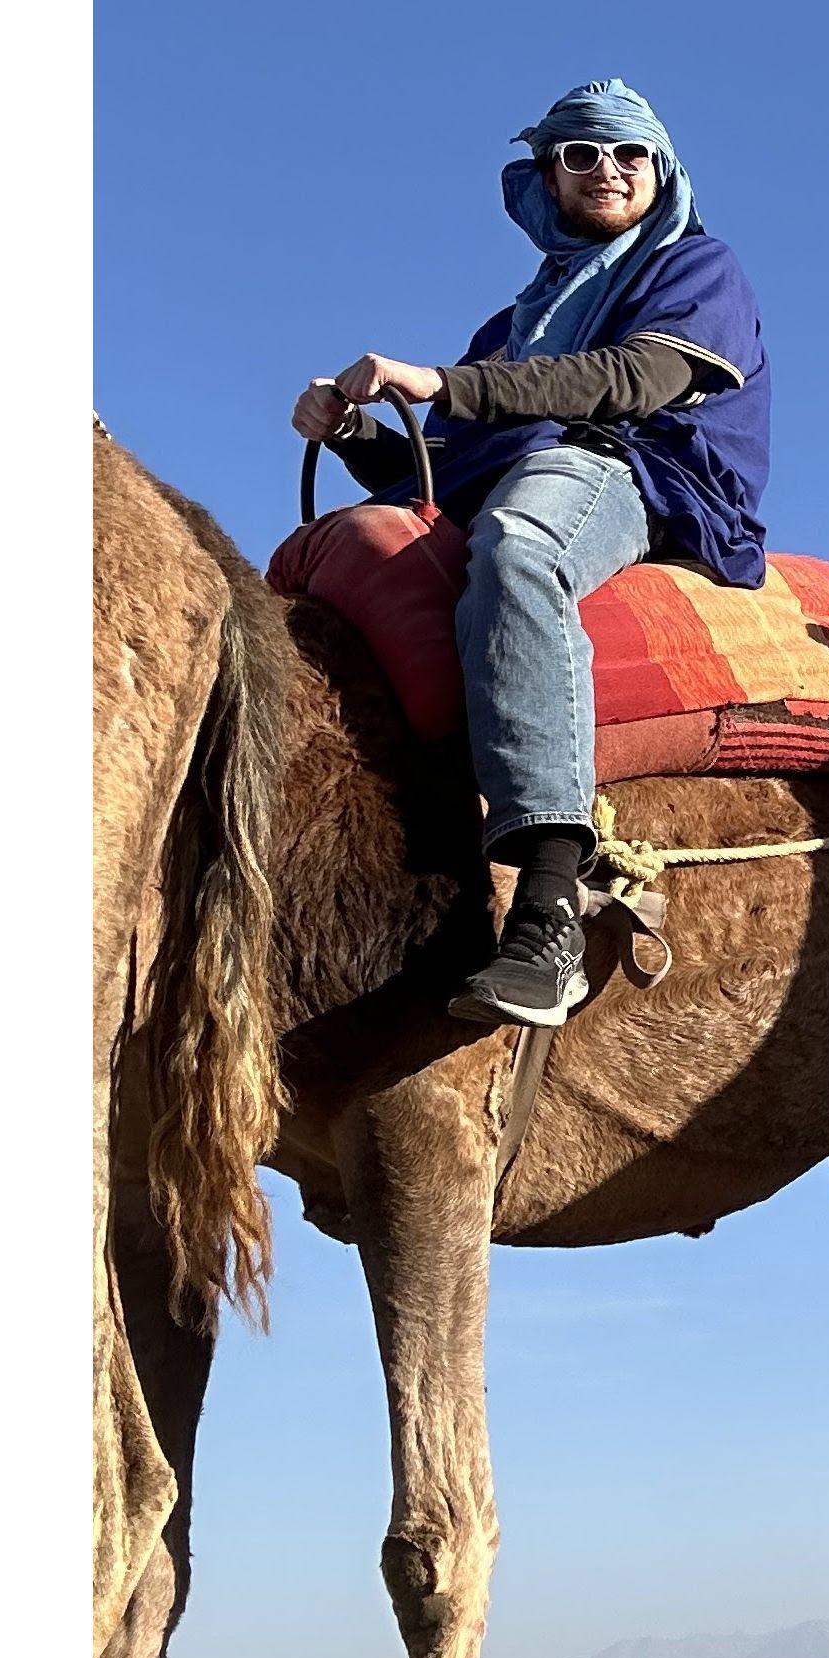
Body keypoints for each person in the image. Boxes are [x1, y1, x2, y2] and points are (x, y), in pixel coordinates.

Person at [292, 77, 770, 1023]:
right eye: (581, 153)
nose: (607, 170)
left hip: (632, 466)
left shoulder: (695, 268)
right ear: (548, 178)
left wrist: (446, 383)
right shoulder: (517, 325)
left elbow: (635, 379)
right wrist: (351, 433)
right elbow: (443, 462)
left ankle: (550, 911)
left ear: (661, 171)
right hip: (518, 466)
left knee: (519, 548)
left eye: (629, 153)